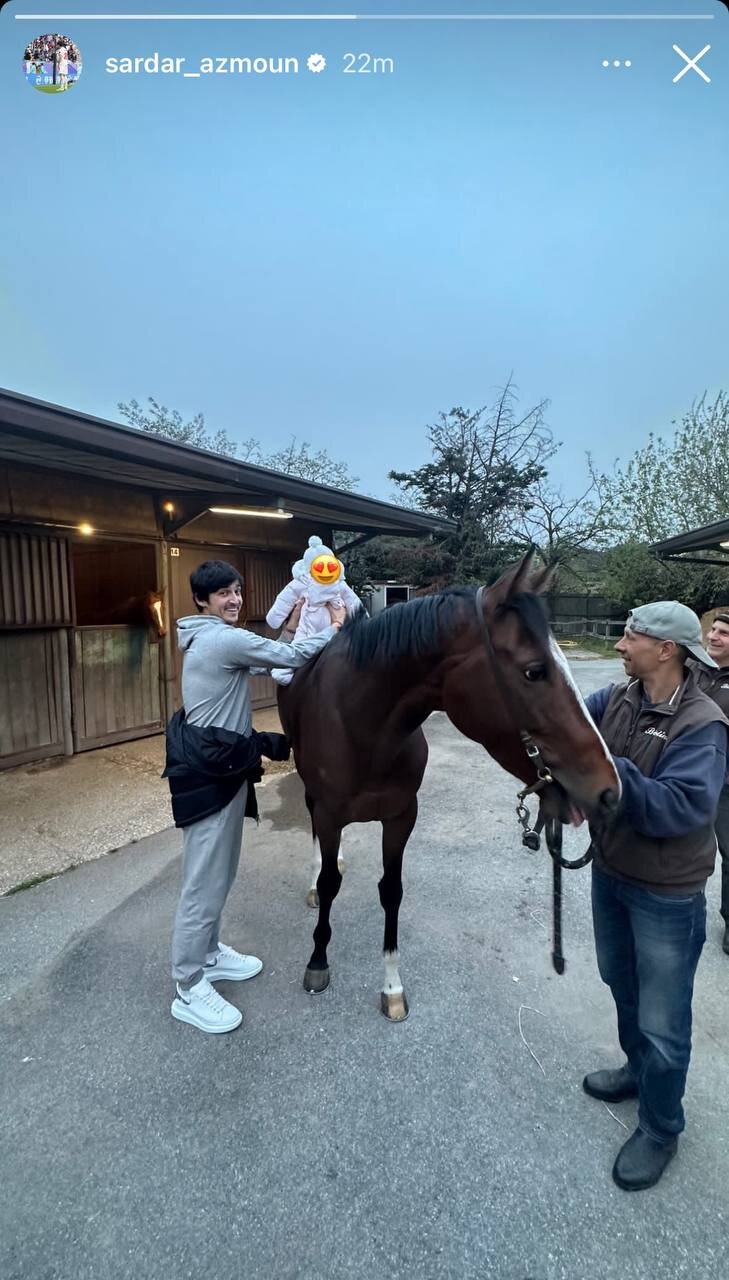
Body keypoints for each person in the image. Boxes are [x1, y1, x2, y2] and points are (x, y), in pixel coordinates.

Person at [582, 601, 728, 1191]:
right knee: (621, 982)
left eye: (631, 636)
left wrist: (607, 768)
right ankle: (638, 1071)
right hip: (611, 872)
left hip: (667, 895)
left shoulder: (702, 722)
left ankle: (662, 1126)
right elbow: (568, 719)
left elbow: (680, 807)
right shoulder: (620, 697)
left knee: (664, 1020)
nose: (620, 645)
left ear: (666, 650)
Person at [168, 559, 345, 1035]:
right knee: (203, 883)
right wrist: (334, 627)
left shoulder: (215, 638)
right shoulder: (220, 639)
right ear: (201, 600)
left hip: (221, 768)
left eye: (237, 590)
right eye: (223, 593)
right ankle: (188, 985)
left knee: (219, 873)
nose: (235, 599)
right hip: (209, 776)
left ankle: (208, 955)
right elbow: (290, 658)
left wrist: (288, 627)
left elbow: (271, 659)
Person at [266, 535, 361, 684]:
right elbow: (285, 599)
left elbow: (353, 602)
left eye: (330, 567)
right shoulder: (302, 582)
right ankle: (283, 669)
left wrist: (361, 618)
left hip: (332, 626)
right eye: (319, 567)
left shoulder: (339, 584)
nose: (325, 572)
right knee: (299, 646)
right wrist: (276, 618)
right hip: (312, 623)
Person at [694, 612, 729, 954]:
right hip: (689, 776)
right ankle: (687, 911)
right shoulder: (693, 668)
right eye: (713, 629)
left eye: (724, 633)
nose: (713, 636)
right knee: (686, 846)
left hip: (726, 784)